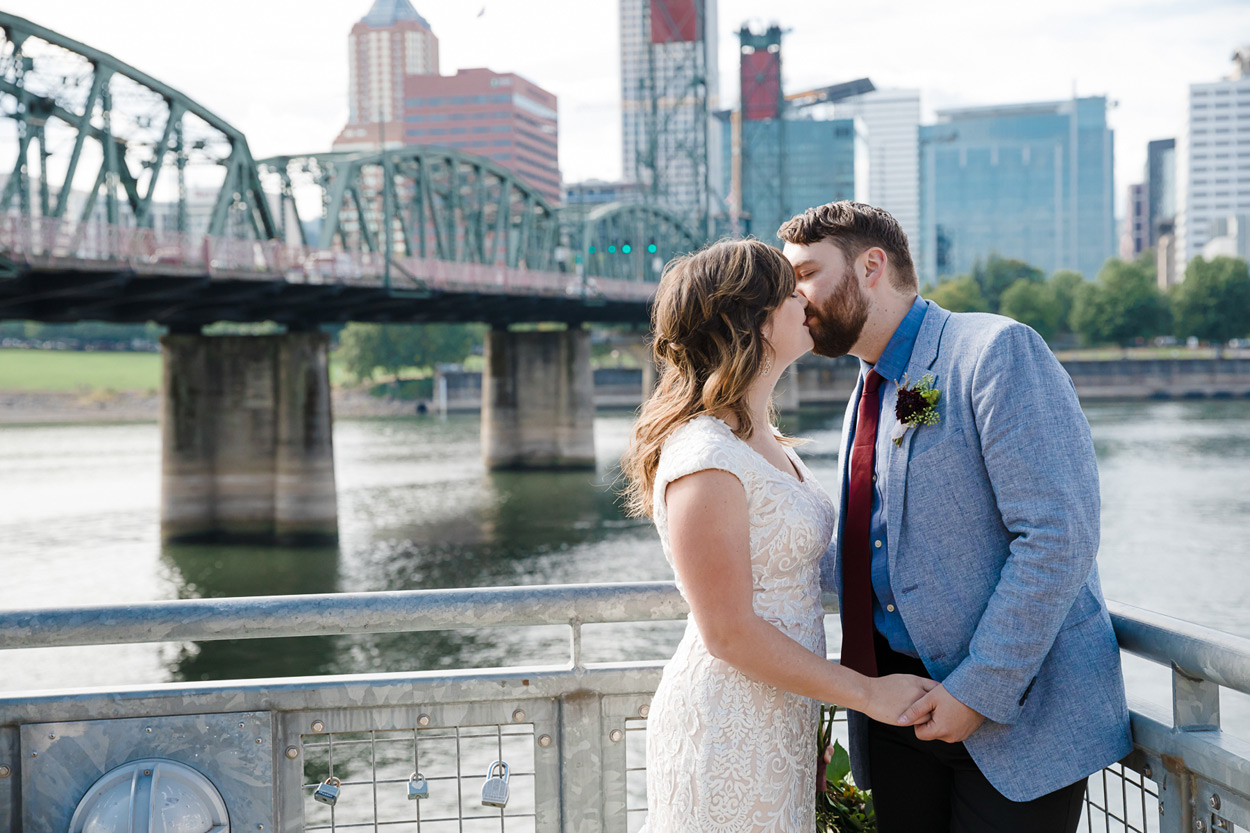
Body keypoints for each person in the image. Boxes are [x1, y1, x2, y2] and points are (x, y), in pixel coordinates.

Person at [777, 201, 1133, 833]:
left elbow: (1058, 536)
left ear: (871, 266)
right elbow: (879, 543)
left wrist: (978, 690)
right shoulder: (870, 386)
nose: (794, 295)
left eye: (805, 272)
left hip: (1014, 714)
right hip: (891, 710)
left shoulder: (996, 350)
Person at [620, 238, 936, 832]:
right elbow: (730, 633)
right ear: (756, 323)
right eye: (792, 293)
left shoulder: (762, 438)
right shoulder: (705, 457)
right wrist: (867, 695)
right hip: (729, 723)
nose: (807, 303)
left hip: (781, 712)